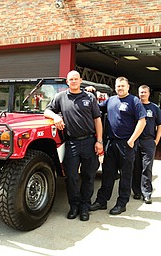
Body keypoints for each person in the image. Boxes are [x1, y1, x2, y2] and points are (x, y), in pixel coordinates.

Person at [44, 70, 103, 221]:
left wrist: (99, 141)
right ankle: (74, 206)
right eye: (71, 79)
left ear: (81, 80)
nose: (74, 81)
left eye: (76, 79)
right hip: (71, 143)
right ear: (67, 82)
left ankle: (84, 207)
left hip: (89, 141)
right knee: (71, 177)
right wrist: (56, 116)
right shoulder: (60, 97)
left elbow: (97, 120)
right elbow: (47, 110)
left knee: (88, 176)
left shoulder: (89, 97)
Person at [89, 76, 146, 215]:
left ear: (128, 87)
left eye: (122, 86)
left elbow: (142, 121)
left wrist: (132, 140)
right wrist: (90, 94)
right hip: (111, 143)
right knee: (108, 174)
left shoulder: (134, 101)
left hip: (127, 144)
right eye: (118, 86)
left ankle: (122, 204)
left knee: (125, 176)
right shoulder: (111, 100)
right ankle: (101, 201)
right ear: (115, 87)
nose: (120, 88)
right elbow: (96, 109)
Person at [132, 85, 161, 204]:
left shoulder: (154, 108)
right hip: (136, 140)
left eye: (145, 92)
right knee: (135, 167)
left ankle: (147, 193)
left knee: (147, 168)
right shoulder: (135, 106)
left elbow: (160, 125)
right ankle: (136, 191)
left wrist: (156, 141)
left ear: (149, 93)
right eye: (141, 92)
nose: (143, 94)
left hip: (148, 141)